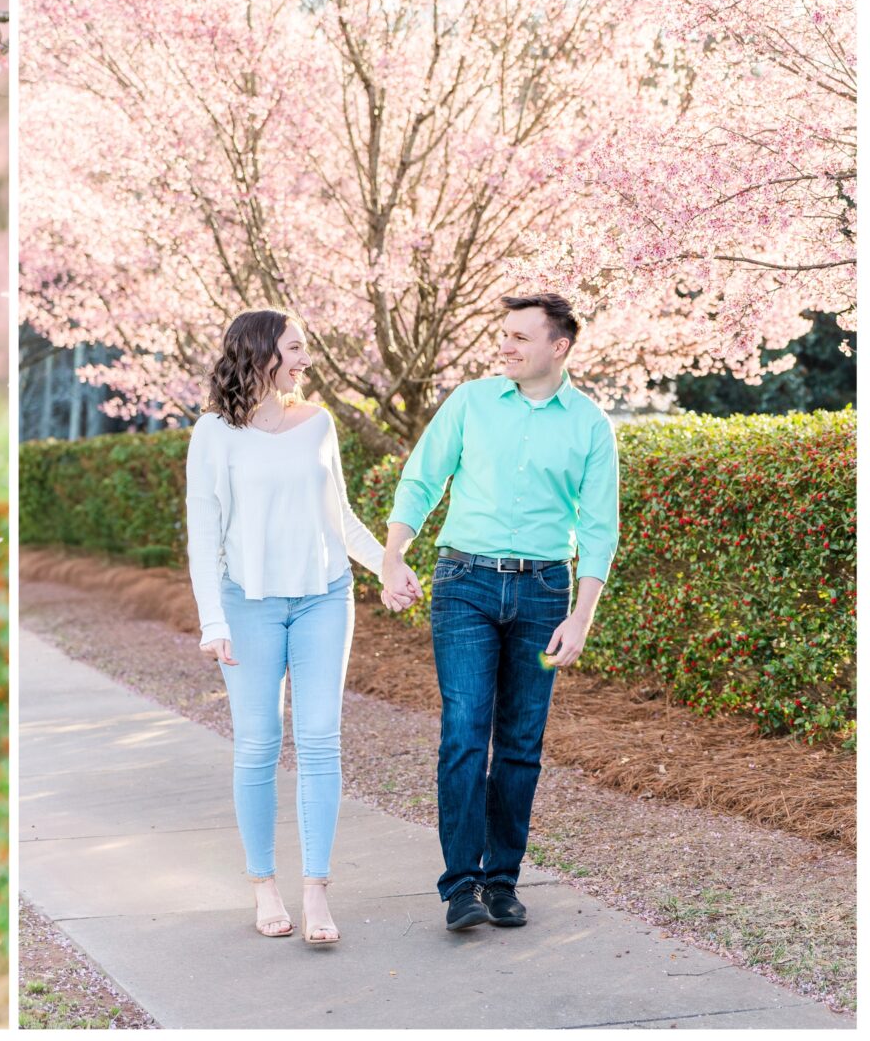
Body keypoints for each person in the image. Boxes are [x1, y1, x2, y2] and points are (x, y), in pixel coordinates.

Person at [383, 293, 619, 933]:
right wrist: (394, 554)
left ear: (558, 347)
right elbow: (422, 479)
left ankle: (501, 881)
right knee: (464, 733)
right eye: (504, 335)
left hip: (546, 593)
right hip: (464, 582)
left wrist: (582, 616)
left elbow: (600, 529)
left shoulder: (590, 424)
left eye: (520, 337)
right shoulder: (470, 402)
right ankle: (461, 885)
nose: (506, 346)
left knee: (520, 743)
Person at [186, 309, 393, 948]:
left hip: (324, 597)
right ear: (260, 352)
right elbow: (203, 539)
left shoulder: (319, 425)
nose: (307, 359)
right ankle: (264, 886)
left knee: (321, 738)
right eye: (296, 347)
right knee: (257, 743)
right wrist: (212, 621)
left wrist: (388, 565)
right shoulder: (214, 433)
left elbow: (342, 517)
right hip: (246, 604)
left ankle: (316, 892)